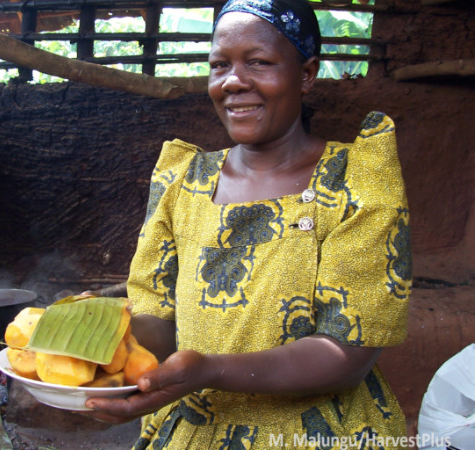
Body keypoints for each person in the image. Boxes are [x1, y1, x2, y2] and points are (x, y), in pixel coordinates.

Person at [82, 0, 412, 447]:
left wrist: (210, 370)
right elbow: (158, 319)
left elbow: (347, 351)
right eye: (220, 65)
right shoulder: (183, 180)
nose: (233, 81)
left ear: (307, 74)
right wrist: (105, 330)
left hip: (315, 434)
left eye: (258, 62)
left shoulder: (356, 181)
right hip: (196, 429)